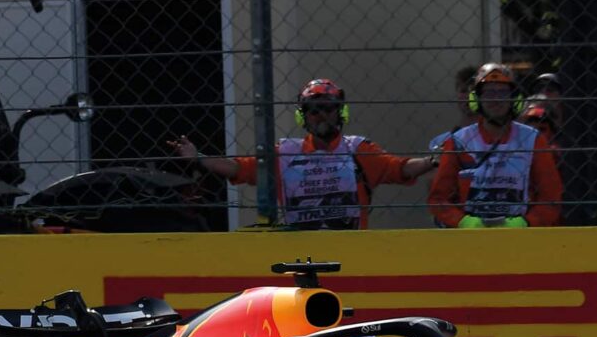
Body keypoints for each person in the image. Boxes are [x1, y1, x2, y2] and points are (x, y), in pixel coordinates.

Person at [169, 78, 434, 230]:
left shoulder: (358, 150)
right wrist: (199, 157)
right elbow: (241, 169)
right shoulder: (286, 153)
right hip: (300, 253)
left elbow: (400, 169)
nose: (321, 115)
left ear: (340, 112)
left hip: (351, 249)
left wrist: (433, 160)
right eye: (313, 110)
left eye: (328, 108)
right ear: (303, 116)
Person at [427, 62, 563, 228]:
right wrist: (463, 222)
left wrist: (526, 222)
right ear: (476, 99)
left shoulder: (533, 139)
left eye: (503, 92)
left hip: (521, 234)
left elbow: (551, 197)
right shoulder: (459, 141)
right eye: (489, 92)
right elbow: (438, 199)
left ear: (514, 98)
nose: (496, 98)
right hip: (471, 235)